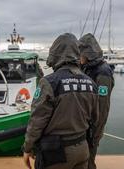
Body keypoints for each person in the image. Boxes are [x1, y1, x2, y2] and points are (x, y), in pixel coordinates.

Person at [23, 33, 99, 169]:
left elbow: (37, 120)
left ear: (55, 53)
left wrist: (27, 148)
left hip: (56, 154)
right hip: (82, 149)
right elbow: (95, 119)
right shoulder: (91, 84)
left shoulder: (49, 83)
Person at [78, 33, 114, 169]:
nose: (78, 57)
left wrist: (95, 132)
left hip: (93, 128)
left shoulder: (103, 73)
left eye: (80, 53)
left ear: (87, 53)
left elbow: (102, 107)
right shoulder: (87, 68)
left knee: (88, 162)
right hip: (84, 125)